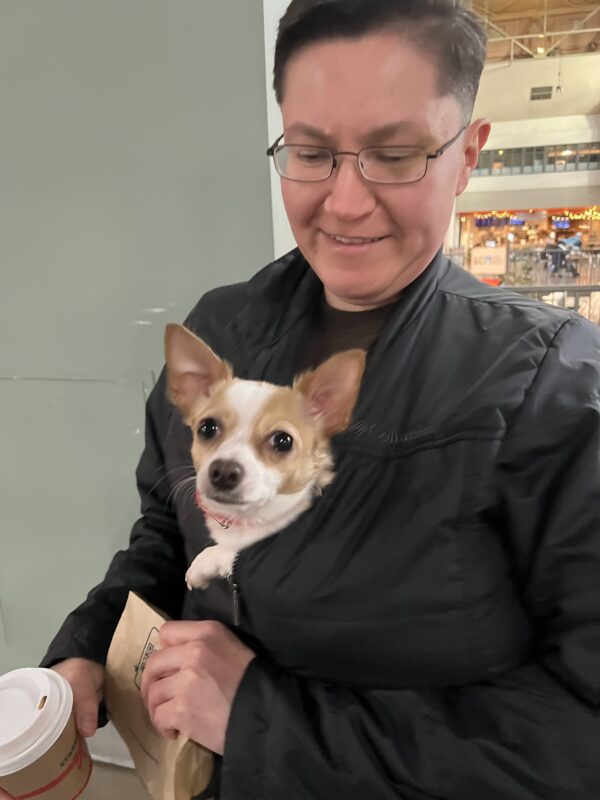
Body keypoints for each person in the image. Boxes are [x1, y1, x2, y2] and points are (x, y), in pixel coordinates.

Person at [42, 1, 600, 798]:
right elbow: (170, 527)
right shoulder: (223, 328)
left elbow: (580, 733)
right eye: (310, 152)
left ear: (468, 154)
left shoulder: (551, 388)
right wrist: (88, 645)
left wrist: (260, 719)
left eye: (396, 154)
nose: (343, 201)